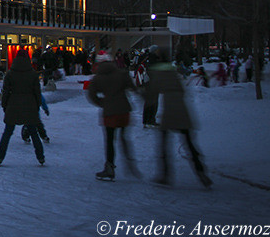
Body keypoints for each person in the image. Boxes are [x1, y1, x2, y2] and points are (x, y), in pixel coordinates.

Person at [147, 47, 212, 188]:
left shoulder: (158, 72)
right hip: (182, 109)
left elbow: (152, 93)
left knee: (164, 143)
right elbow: (182, 90)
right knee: (189, 143)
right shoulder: (173, 71)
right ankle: (201, 171)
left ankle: (165, 174)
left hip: (170, 111)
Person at [87, 51, 141, 181]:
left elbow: (91, 95)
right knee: (124, 136)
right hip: (124, 110)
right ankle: (130, 161)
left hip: (110, 112)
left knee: (110, 140)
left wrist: (102, 103)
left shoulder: (98, 78)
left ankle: (109, 167)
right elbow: (133, 88)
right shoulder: (121, 73)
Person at [0, 51, 45, 166]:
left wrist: (5, 105)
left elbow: (6, 92)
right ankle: (40, 156)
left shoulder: (10, 74)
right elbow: (37, 92)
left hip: (13, 105)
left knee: (7, 133)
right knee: (34, 133)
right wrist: (37, 105)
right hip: (30, 105)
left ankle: (0, 156)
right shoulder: (32, 74)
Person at [141, 46, 160, 128]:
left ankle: (146, 120)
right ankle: (151, 120)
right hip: (153, 84)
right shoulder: (154, 60)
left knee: (149, 102)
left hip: (149, 84)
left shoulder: (148, 59)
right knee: (153, 102)